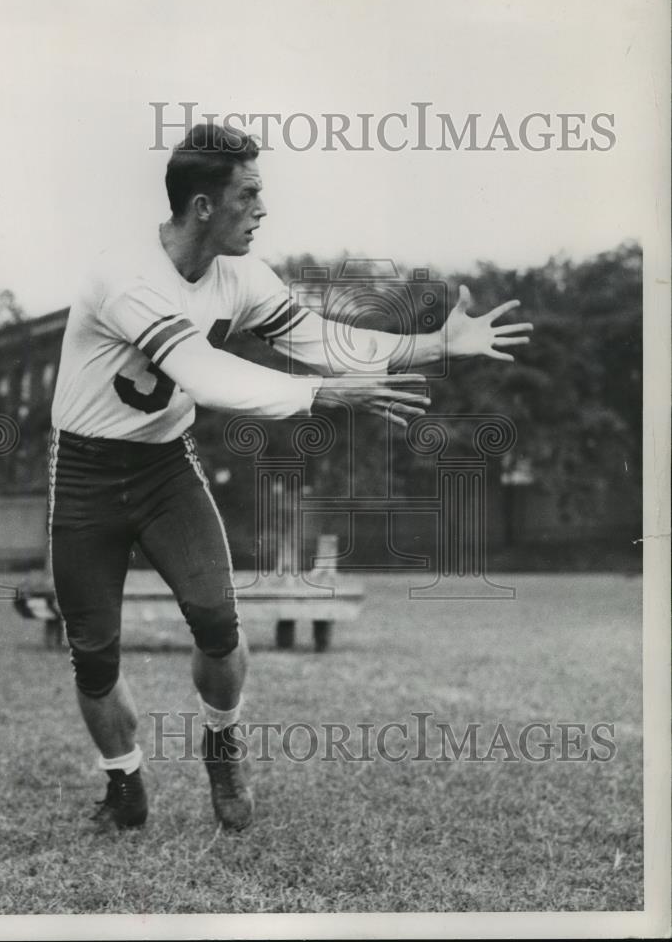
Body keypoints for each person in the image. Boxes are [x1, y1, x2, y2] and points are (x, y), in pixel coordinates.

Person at [49, 122, 532, 832]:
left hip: (163, 467)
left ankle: (221, 741)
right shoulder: (123, 274)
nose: (263, 209)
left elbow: (321, 338)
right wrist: (324, 393)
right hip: (87, 471)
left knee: (217, 621)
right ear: (204, 207)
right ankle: (125, 787)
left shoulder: (241, 276)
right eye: (249, 194)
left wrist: (435, 343)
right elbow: (204, 373)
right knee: (93, 654)